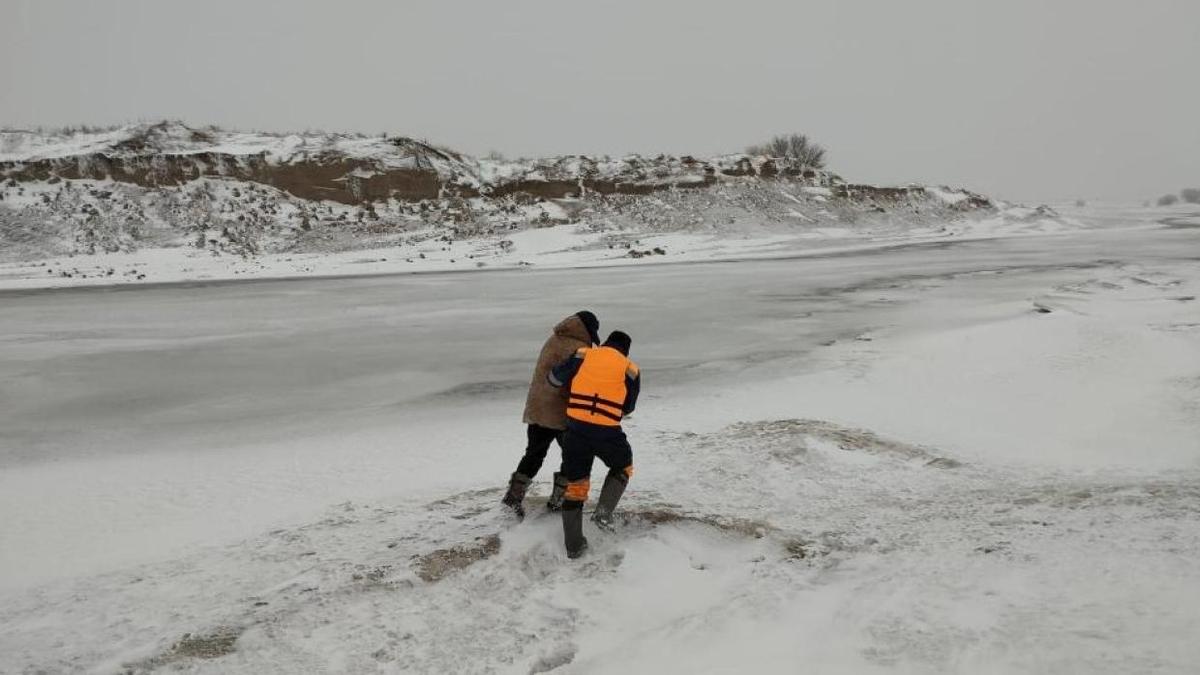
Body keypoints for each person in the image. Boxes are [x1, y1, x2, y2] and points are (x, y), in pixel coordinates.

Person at [547, 330, 641, 558]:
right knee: (623, 466)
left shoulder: (583, 355)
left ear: (606, 343)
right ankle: (602, 514)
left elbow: (554, 379)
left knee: (576, 485)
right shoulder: (631, 369)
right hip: (606, 432)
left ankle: (574, 547)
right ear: (625, 350)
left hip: (575, 429)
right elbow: (628, 407)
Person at [501, 310, 602, 517]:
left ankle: (514, 495)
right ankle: (559, 499)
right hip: (561, 413)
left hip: (538, 408)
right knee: (573, 455)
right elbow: (578, 384)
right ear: (586, 331)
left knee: (534, 453)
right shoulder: (578, 349)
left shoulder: (554, 339)